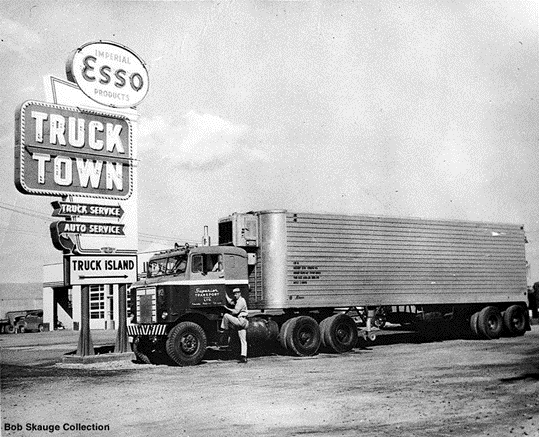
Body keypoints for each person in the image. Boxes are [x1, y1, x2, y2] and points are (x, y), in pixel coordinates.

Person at [221, 287, 249, 363]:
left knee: (226, 316)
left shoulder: (240, 301)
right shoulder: (239, 300)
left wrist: (226, 308)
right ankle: (244, 357)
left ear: (240, 293)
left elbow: (235, 312)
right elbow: (231, 302)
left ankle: (225, 330)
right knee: (243, 340)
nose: (235, 295)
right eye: (234, 294)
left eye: (236, 294)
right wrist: (225, 294)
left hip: (241, 320)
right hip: (244, 321)